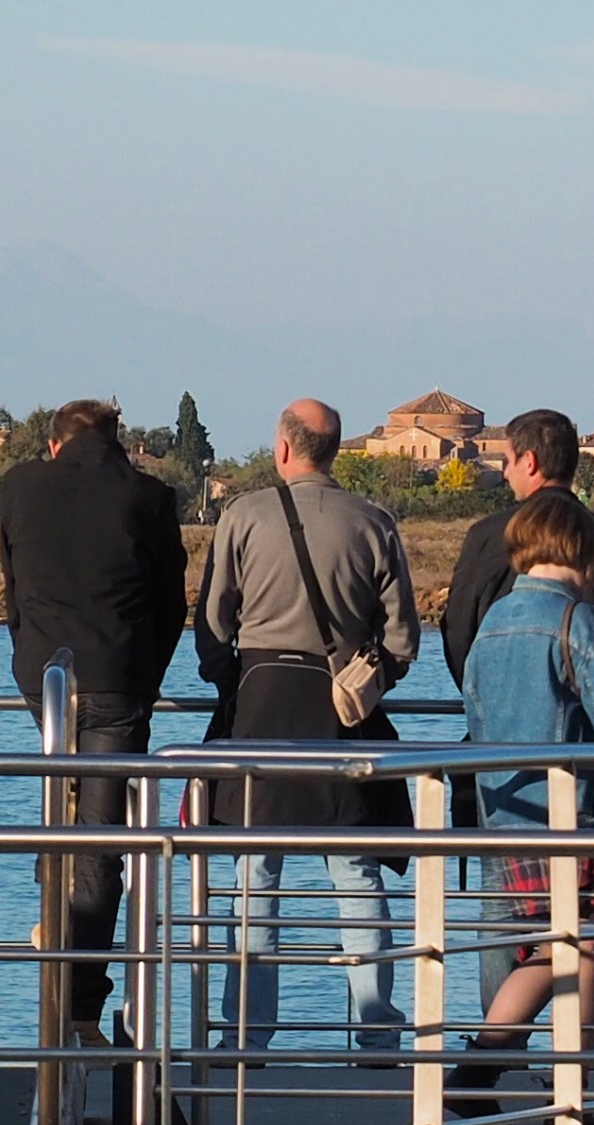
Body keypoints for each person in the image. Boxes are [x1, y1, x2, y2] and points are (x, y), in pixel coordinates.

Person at [194, 399, 420, 1062]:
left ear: (284, 449)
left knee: (255, 875)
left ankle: (246, 1037)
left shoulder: (242, 516)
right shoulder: (373, 521)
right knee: (356, 872)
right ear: (335, 451)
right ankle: (375, 1033)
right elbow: (403, 638)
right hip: (341, 713)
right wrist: (369, 681)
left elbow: (212, 623)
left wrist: (227, 684)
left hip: (259, 705)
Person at [449, 492, 594, 1125]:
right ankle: (568, 1108)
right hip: (583, 817)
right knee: (589, 952)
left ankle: (479, 1066)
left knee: (548, 952)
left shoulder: (492, 626)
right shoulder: (580, 622)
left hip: (512, 816)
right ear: (586, 552)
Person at [441, 408, 594, 1019]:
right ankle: (575, 1084)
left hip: (502, 777)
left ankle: (492, 1076)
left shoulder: (487, 539)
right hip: (593, 790)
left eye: (507, 462)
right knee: (592, 935)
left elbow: (457, 640)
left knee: (504, 924)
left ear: (528, 461)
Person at [0, 398, 187, 1045]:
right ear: (119, 442)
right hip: (119, 678)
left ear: (54, 444)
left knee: (65, 807)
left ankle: (56, 929)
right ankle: (81, 1005)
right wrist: (147, 680)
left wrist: (30, 655)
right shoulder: (150, 496)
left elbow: (13, 590)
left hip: (42, 673)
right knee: (101, 837)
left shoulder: (19, 487)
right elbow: (170, 603)